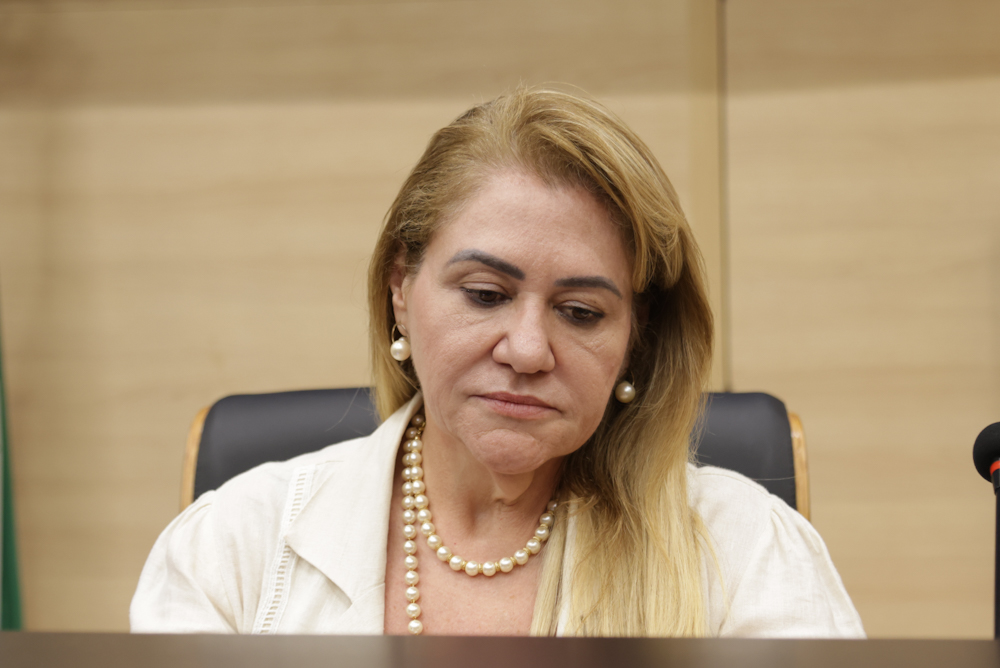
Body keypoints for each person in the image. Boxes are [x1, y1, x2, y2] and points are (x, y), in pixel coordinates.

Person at [131, 87, 864, 637]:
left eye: (581, 312)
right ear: (400, 290)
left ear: (636, 339)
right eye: (485, 295)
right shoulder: (232, 547)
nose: (527, 350)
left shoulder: (747, 552)